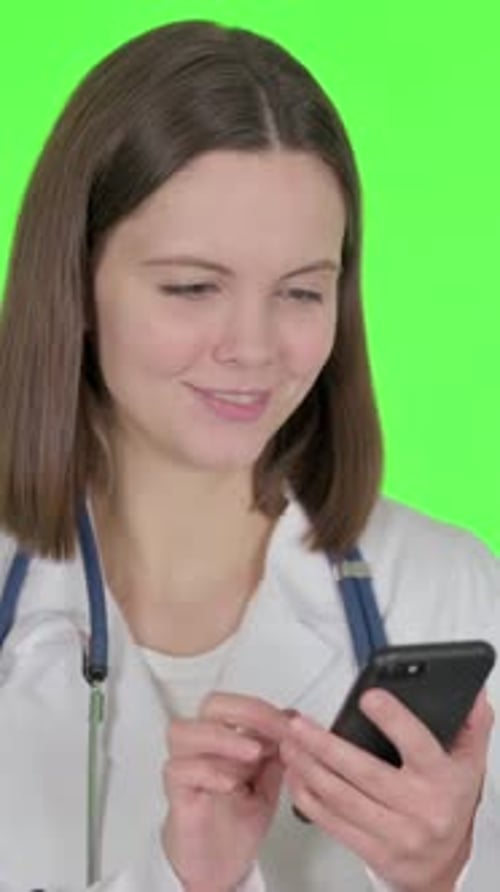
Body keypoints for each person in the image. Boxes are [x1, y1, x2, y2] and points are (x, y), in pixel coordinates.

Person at [0, 17, 498, 892]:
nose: (254, 347)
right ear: (74, 283)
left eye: (302, 291)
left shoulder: (443, 587)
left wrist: (442, 878)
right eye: (194, 286)